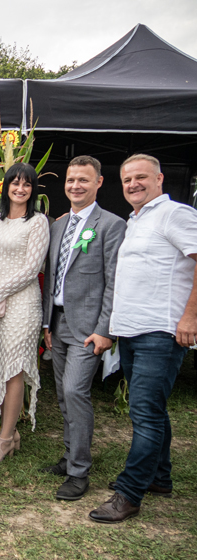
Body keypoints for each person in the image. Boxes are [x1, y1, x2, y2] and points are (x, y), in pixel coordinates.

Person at [89, 154, 197, 524]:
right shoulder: (136, 220)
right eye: (127, 179)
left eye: (141, 178)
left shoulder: (175, 214)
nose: (133, 184)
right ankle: (160, 478)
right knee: (152, 409)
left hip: (161, 331)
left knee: (145, 414)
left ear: (160, 178)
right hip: (133, 331)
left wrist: (190, 316)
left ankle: (129, 493)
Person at [40, 156, 126, 501]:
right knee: (62, 393)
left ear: (99, 183)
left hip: (89, 328)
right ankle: (69, 453)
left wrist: (106, 329)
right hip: (57, 322)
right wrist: (47, 323)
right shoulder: (58, 225)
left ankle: (79, 472)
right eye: (71, 180)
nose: (76, 186)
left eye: (84, 180)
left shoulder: (111, 225)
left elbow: (114, 282)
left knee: (76, 392)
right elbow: (53, 277)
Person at [0, 162, 49, 463]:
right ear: (5, 187)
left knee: (14, 369)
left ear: (32, 190)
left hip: (22, 305)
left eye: (27, 184)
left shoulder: (38, 222)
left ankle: (5, 438)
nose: (20, 189)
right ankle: (13, 433)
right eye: (15, 183)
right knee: (2, 367)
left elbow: (31, 269)